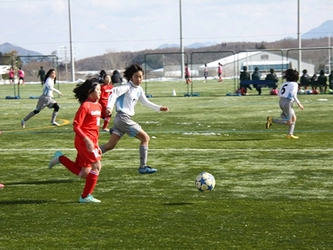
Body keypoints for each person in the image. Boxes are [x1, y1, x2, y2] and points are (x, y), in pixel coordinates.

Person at [100, 64, 169, 174]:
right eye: (136, 76)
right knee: (145, 138)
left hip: (120, 120)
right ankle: (143, 167)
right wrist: (109, 107)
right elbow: (113, 93)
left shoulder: (139, 89)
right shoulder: (127, 87)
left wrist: (159, 108)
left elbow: (145, 102)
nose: (139, 79)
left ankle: (89, 155)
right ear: (131, 77)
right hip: (123, 118)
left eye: (141, 76)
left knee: (110, 146)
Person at [48, 78, 103, 203]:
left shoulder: (98, 106)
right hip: (84, 142)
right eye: (98, 90)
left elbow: (95, 128)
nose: (100, 92)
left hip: (92, 142)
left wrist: (96, 144)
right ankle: (85, 197)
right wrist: (87, 140)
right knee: (97, 167)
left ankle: (60, 158)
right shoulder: (85, 106)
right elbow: (76, 126)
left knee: (84, 173)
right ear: (90, 91)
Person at [266, 69, 304, 139]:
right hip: (287, 102)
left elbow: (279, 93)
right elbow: (293, 94)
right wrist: (299, 103)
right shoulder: (294, 84)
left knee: (294, 118)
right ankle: (272, 120)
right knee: (289, 121)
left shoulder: (285, 83)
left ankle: (290, 134)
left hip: (281, 101)